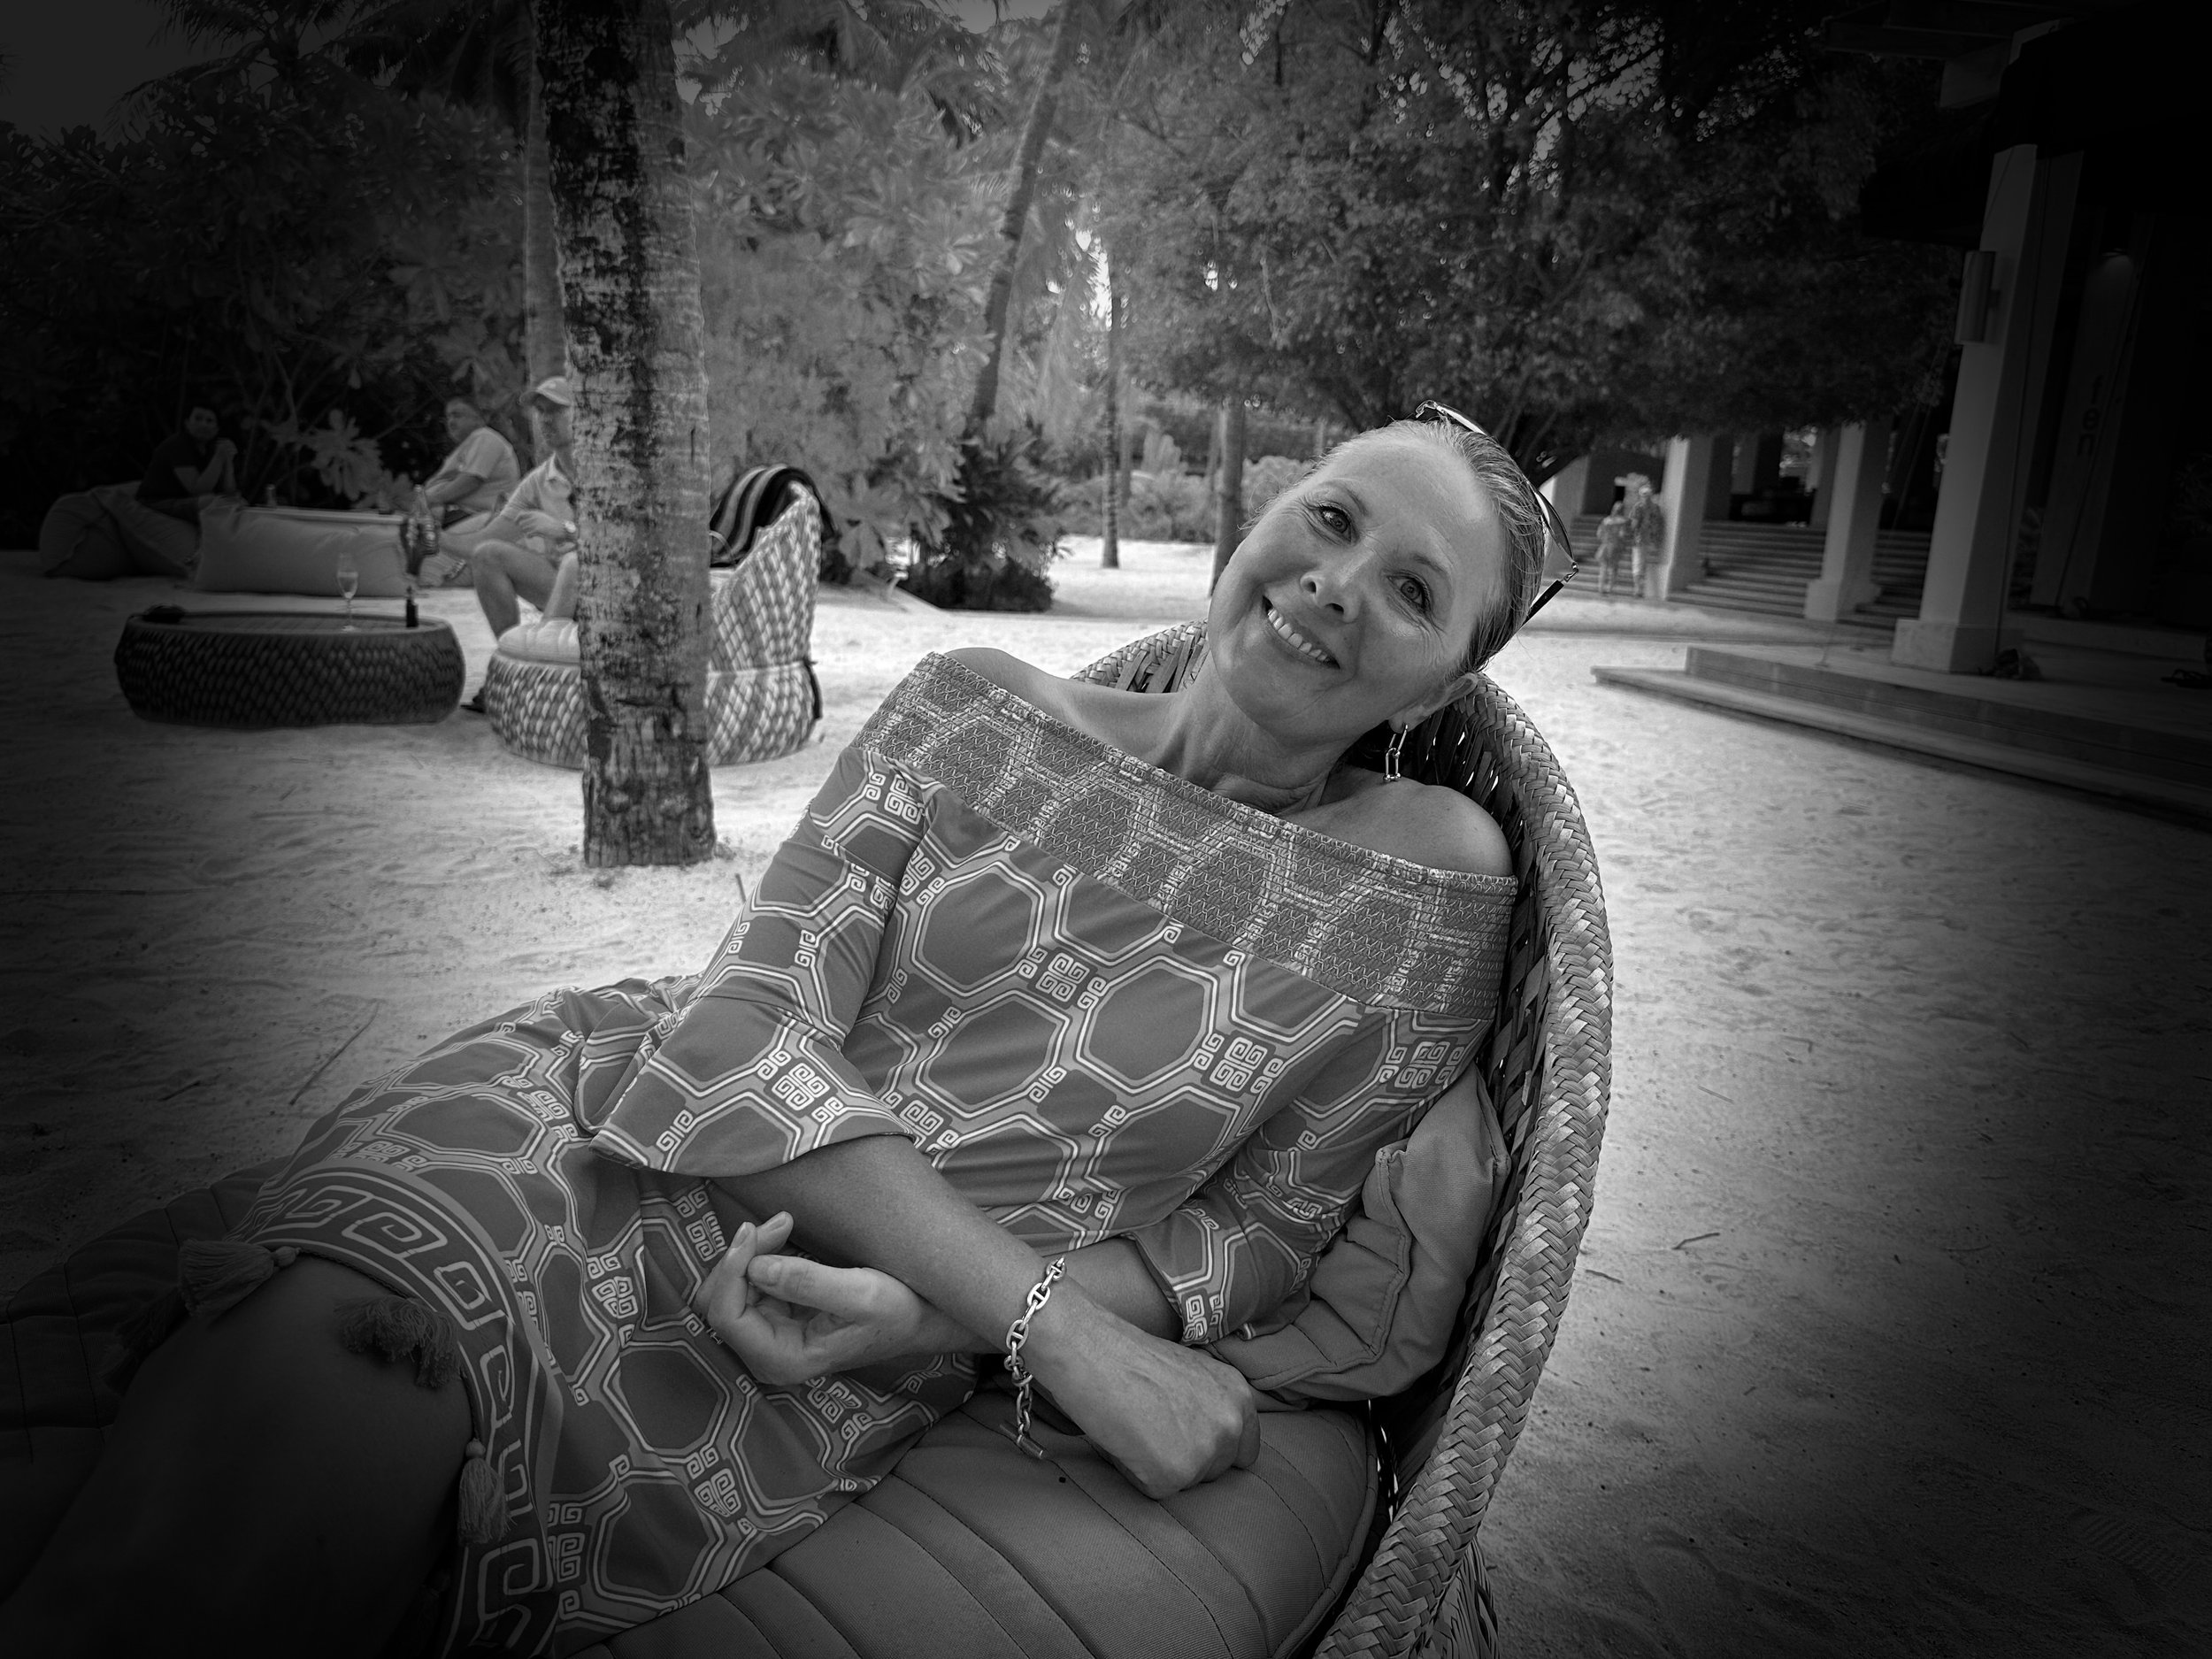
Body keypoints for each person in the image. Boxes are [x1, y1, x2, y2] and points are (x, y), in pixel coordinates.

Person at [0, 410, 1548, 1658]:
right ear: (1267, 513)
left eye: (1416, 589)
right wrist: (1048, 1331)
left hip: (837, 1334)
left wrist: (925, 1320)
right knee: (312, 1407)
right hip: (601, 1136)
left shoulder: (1424, 887)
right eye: (1333, 517)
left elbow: (1258, 1231)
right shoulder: (979, 709)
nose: (1340, 582)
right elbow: (744, 1023)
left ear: (1451, 676)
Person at [462, 379, 579, 691]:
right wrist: (434, 540)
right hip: (560, 588)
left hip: (608, 585)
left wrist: (564, 531)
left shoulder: (609, 468)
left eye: (556, 410)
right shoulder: (539, 480)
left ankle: (535, 670)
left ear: (583, 413)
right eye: (541, 411)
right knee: (488, 555)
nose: (546, 419)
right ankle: (511, 666)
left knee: (574, 562)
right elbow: (482, 541)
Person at [407, 398, 523, 588]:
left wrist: (430, 499)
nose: (451, 422)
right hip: (456, 519)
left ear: (479, 419)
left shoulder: (485, 437)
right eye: (448, 417)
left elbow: (472, 479)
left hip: (480, 518)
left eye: (457, 415)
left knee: (430, 569)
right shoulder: (469, 445)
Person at [136, 404, 239, 526]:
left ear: (216, 429)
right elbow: (199, 491)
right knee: (211, 502)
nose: (203, 424)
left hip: (188, 501)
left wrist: (228, 459)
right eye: (198, 419)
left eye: (209, 421)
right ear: (187, 423)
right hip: (157, 502)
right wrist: (219, 457)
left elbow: (229, 491)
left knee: (237, 501)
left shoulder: (212, 448)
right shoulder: (177, 445)